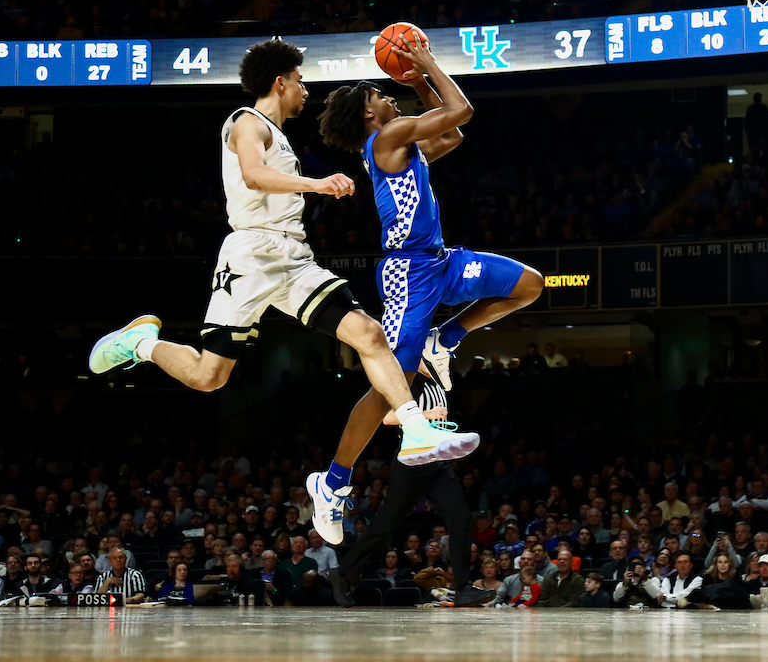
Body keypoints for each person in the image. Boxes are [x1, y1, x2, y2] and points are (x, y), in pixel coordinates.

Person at [87, 39, 479, 547]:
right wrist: (317, 185)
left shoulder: (281, 135)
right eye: (299, 80)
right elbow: (252, 175)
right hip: (249, 257)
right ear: (281, 81)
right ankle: (141, 343)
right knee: (209, 378)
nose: (304, 89)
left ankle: (412, 426)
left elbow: (451, 135)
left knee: (368, 334)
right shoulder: (246, 121)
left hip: (292, 258)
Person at [316, 35, 543, 442]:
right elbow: (462, 110)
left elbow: (452, 135)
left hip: (441, 260)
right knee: (393, 385)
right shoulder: (387, 138)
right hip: (409, 270)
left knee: (529, 284)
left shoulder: (401, 144)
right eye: (382, 95)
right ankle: (340, 472)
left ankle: (445, 339)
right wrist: (428, 65)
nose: (391, 99)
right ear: (368, 111)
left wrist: (420, 82)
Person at [330, 369, 496, 608]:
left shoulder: (437, 381)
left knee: (461, 517)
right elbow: (387, 418)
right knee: (385, 524)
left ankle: (462, 588)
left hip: (437, 462)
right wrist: (428, 414)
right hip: (411, 463)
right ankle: (344, 573)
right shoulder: (410, 381)